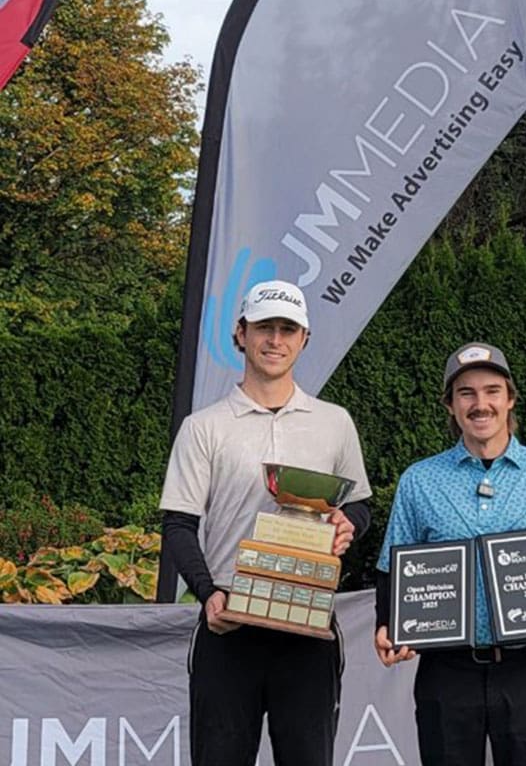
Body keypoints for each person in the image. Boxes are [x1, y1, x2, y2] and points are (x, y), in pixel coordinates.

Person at [160, 279, 371, 766]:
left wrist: (348, 525)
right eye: (264, 328)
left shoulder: (334, 422)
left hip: (309, 624)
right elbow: (178, 523)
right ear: (241, 334)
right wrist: (208, 591)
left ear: (304, 340)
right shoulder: (204, 427)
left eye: (287, 329)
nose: (275, 340)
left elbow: (358, 504)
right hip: (230, 622)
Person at [374, 342, 526, 766]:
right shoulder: (419, 481)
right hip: (446, 671)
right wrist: (388, 624)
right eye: (466, 393)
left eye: (491, 391)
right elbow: (393, 568)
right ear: (449, 405)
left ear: (510, 399)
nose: (480, 404)